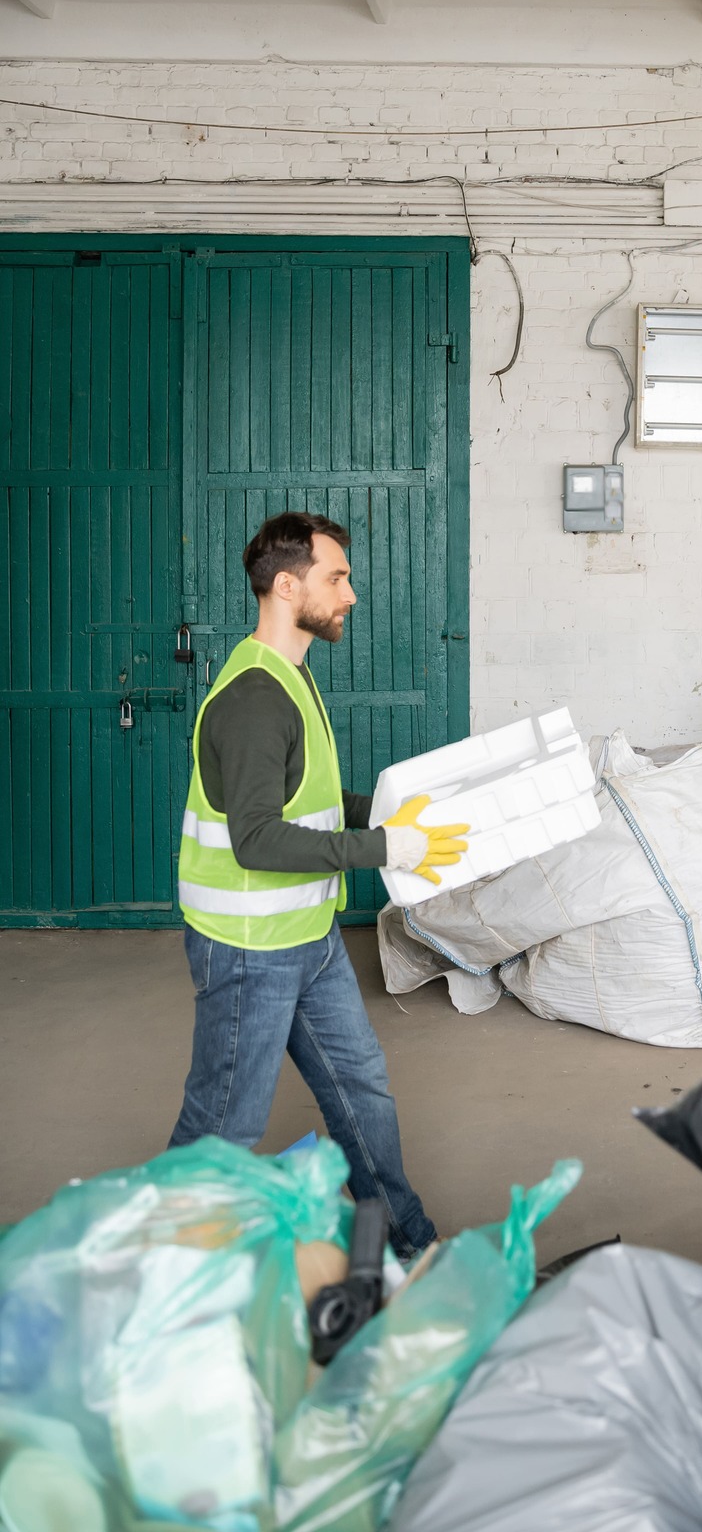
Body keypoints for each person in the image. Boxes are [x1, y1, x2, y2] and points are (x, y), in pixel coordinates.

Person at [169, 510, 468, 1258]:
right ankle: (158, 1275)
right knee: (223, 1129)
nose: (352, 595)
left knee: (359, 1090)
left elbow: (311, 803)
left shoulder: (292, 676)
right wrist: (387, 845)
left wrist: (391, 814)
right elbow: (259, 838)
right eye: (337, 578)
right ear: (285, 585)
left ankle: (406, 1241)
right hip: (248, 949)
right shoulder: (252, 698)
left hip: (308, 938)